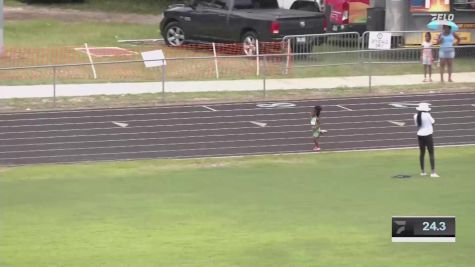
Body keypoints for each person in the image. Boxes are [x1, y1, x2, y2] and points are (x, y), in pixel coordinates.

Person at [414, 103, 439, 178]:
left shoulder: (415, 116)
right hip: (428, 135)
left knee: (422, 153)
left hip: (420, 135)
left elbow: (417, 125)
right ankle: (433, 172)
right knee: (431, 153)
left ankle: (423, 172)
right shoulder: (427, 115)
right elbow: (433, 122)